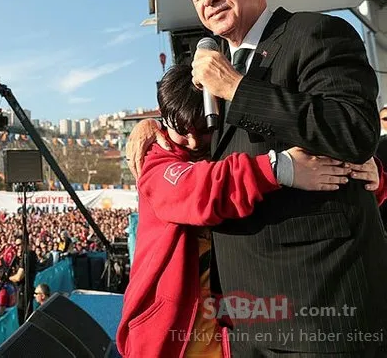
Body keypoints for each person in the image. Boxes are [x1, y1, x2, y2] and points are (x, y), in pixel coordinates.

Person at [129, 0, 387, 356]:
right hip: (245, 323)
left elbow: (352, 130)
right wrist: (154, 128)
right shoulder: (214, 77)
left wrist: (236, 88)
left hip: (318, 310)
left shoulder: (315, 34)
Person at [116, 64, 386, 358]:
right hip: (173, 327)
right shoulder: (155, 159)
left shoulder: (237, 147)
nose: (194, 142)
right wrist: (278, 168)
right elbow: (197, 191)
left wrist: (368, 173)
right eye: (181, 129)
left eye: (205, 129)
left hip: (237, 322)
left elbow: (313, 171)